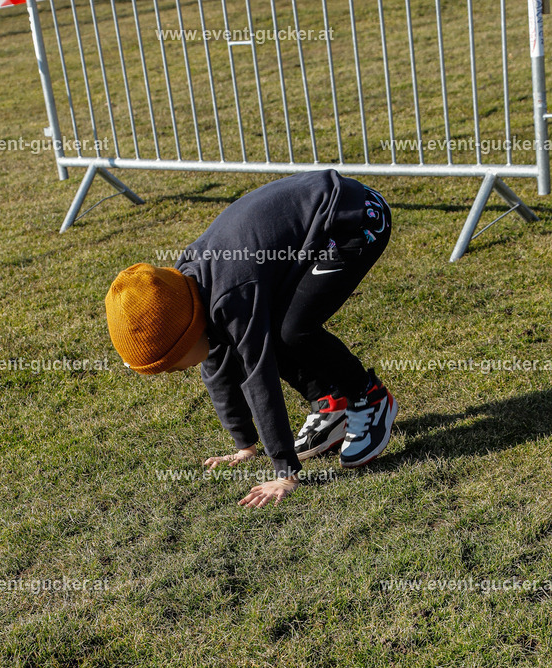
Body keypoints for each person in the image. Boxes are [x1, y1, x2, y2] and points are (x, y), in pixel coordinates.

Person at [105, 169, 397, 509]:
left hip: (355, 218)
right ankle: (332, 404)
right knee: (277, 328)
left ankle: (369, 397)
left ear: (185, 337)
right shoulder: (188, 293)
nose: (172, 372)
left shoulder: (229, 296)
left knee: (293, 330)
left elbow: (259, 376)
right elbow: (216, 366)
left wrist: (285, 472)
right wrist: (245, 444)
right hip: (317, 224)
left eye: (170, 364)